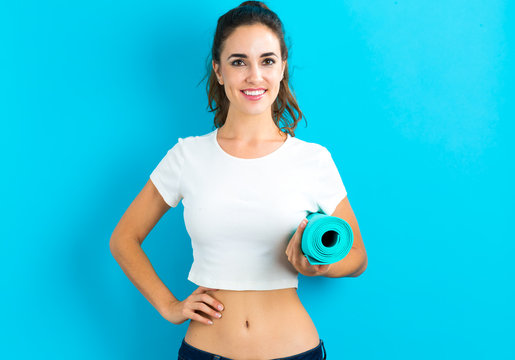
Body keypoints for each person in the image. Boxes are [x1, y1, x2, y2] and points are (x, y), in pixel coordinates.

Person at [110, 1, 367, 359]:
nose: (254, 76)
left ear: (282, 69)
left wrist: (321, 265)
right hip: (206, 351)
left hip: (295, 351)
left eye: (267, 60)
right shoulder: (187, 156)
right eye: (238, 62)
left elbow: (357, 257)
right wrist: (169, 306)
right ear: (218, 70)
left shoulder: (312, 159)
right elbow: (124, 238)